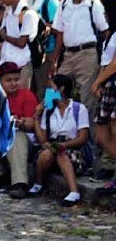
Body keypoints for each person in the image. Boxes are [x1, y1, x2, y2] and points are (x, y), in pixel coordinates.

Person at [49, 0, 109, 118]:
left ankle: (89, 137)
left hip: (87, 53)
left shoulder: (94, 5)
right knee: (54, 88)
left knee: (87, 97)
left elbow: (105, 32)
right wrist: (55, 60)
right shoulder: (63, 4)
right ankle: (50, 124)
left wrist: (106, 59)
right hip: (68, 54)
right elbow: (60, 34)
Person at [0, 62, 38, 198]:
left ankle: (19, 183)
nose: (13, 83)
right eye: (9, 80)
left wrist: (17, 122)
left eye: (16, 80)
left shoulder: (27, 96)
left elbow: (31, 124)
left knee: (15, 135)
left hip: (24, 141)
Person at [31, 74, 89, 206]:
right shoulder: (49, 110)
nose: (48, 91)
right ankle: (39, 183)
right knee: (47, 153)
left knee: (61, 152)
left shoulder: (79, 109)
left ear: (61, 89)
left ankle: (74, 192)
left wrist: (63, 145)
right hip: (52, 147)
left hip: (72, 150)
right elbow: (43, 139)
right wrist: (36, 117)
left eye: (51, 87)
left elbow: (82, 137)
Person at [90, 0, 116, 192]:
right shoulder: (111, 36)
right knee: (102, 134)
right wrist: (99, 82)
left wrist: (99, 80)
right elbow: (105, 61)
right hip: (108, 85)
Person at [22, 0, 59, 96]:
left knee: (46, 89)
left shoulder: (51, 3)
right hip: (35, 53)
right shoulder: (29, 2)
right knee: (35, 88)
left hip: (48, 52)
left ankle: (47, 113)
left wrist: (43, 27)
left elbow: (59, 29)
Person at [0, 0, 38, 90]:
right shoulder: (8, 11)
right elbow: (2, 30)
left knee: (21, 99)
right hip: (6, 63)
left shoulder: (28, 14)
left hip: (21, 65)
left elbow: (21, 43)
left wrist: (5, 37)